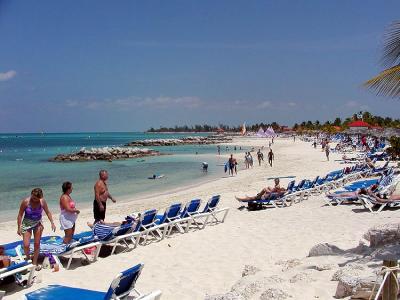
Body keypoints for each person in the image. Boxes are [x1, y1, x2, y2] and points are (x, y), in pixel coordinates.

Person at [17, 188, 56, 269]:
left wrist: (52, 222)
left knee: (37, 243)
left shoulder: (42, 202)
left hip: (37, 223)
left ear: (40, 197)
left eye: (36, 199)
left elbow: (48, 212)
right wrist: (19, 227)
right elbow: (20, 214)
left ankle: (34, 263)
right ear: (31, 194)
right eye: (33, 198)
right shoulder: (26, 202)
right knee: (26, 244)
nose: (34, 200)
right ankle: (28, 258)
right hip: (27, 223)